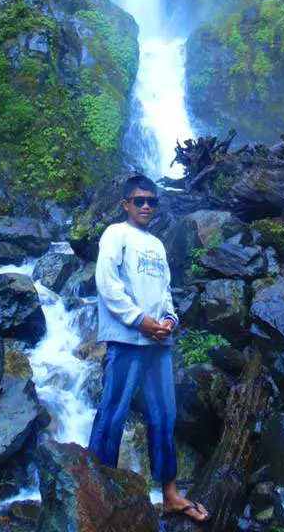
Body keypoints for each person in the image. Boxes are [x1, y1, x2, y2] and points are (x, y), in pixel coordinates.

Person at [88, 173, 212, 525]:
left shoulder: (157, 245)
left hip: (159, 341)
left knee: (164, 416)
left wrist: (169, 320)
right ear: (125, 204)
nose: (146, 206)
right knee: (113, 412)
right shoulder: (115, 234)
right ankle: (97, 491)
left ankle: (170, 494)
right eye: (139, 200)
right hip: (128, 339)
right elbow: (107, 284)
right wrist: (138, 319)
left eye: (151, 201)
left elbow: (166, 291)